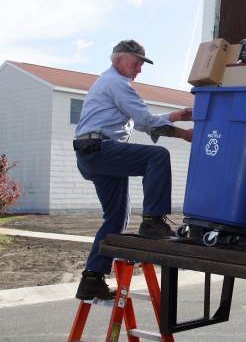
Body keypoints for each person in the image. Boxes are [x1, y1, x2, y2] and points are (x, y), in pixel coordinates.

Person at [73, 39, 193, 300]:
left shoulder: (109, 82)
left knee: (116, 218)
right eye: (135, 63)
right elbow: (146, 120)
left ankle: (92, 278)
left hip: (94, 153)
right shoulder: (116, 83)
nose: (139, 69)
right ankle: (152, 222)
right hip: (100, 149)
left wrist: (176, 116)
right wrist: (184, 135)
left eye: (141, 65)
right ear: (118, 60)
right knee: (157, 157)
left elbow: (141, 124)